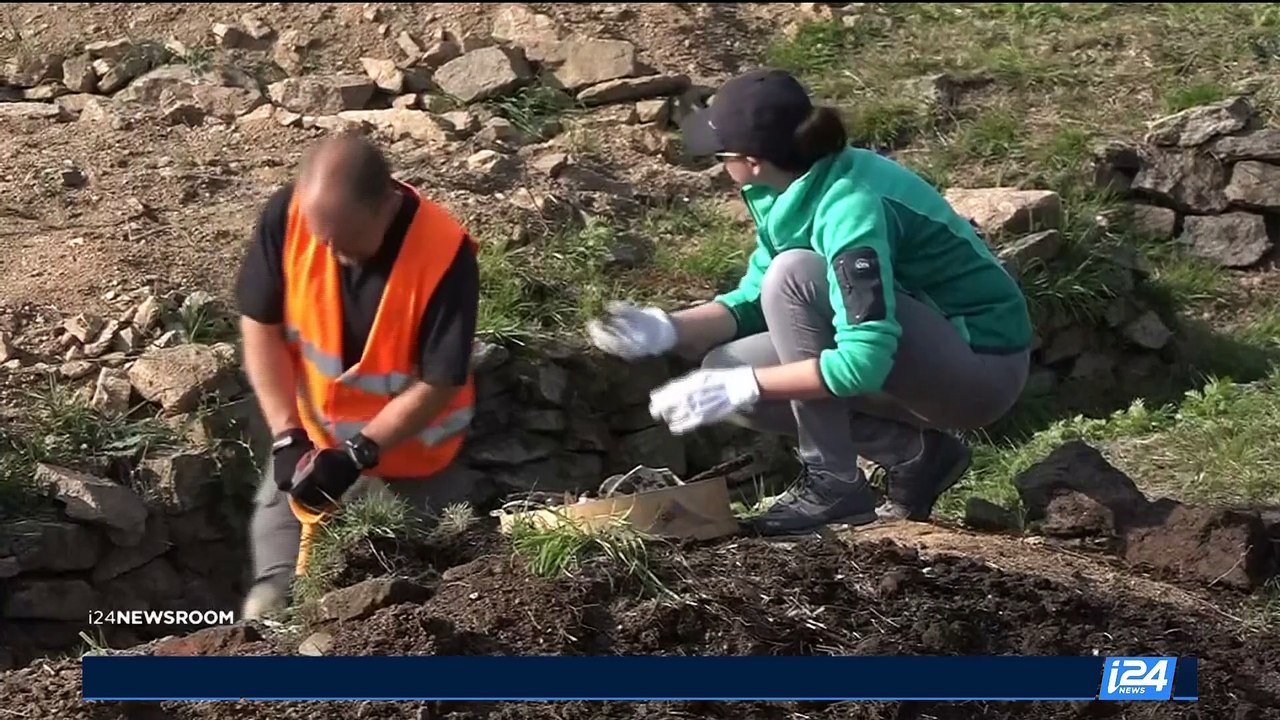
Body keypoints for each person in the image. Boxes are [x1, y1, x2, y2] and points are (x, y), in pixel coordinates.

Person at [586, 68, 1032, 536]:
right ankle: (915, 454)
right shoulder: (791, 186)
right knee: (725, 362)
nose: (719, 164)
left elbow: (862, 361)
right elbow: (755, 301)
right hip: (914, 358)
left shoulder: (849, 204)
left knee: (792, 277)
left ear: (752, 160)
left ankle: (833, 483)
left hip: (980, 367)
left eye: (722, 154)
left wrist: (749, 385)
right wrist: (668, 328)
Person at [234, 133, 480, 619]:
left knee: (413, 600)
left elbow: (439, 382)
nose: (325, 248)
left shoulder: (443, 254)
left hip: (413, 461)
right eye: (319, 234)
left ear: (384, 207)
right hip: (314, 445)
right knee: (270, 599)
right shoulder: (290, 217)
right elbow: (260, 328)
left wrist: (359, 454)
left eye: (342, 238)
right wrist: (286, 435)